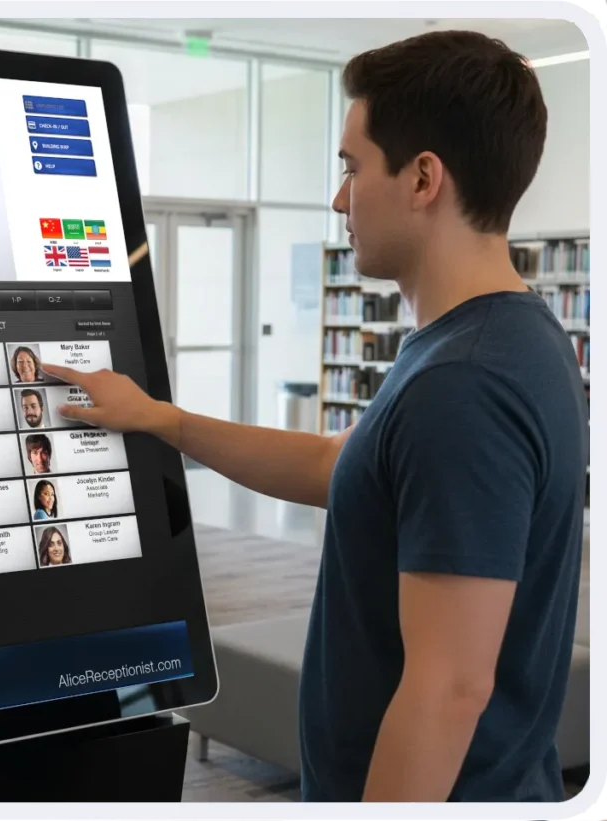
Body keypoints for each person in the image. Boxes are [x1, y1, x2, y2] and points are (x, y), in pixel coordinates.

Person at [43, 30, 587, 804]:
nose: (340, 199)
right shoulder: (498, 340)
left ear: (424, 178)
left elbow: (449, 688)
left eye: (351, 167)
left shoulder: (463, 383)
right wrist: (162, 418)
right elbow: (341, 466)